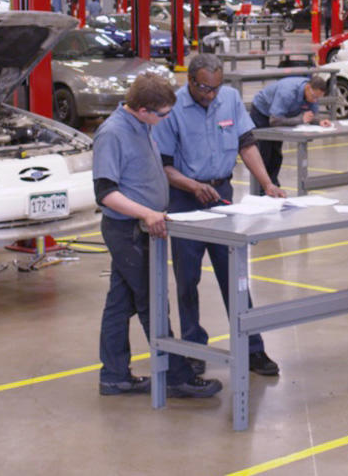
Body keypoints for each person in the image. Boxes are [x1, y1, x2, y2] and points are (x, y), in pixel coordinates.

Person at [153, 54, 285, 377]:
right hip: (185, 200)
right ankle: (194, 347)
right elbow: (164, 165)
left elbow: (247, 144)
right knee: (188, 278)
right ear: (190, 81)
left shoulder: (230, 100)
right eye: (203, 89)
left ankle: (253, 348)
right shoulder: (173, 109)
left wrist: (268, 184)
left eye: (216, 88)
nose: (211, 95)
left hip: (222, 197)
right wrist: (193, 186)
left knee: (235, 275)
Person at [93, 74, 223, 399]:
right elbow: (105, 192)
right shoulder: (113, 133)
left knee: (119, 304)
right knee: (153, 302)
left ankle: (113, 376)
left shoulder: (143, 127)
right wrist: (147, 213)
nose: (165, 121)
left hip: (142, 230)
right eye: (162, 115)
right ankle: (177, 376)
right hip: (128, 231)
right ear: (142, 109)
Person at [249, 75, 331, 188]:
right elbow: (274, 121)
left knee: (276, 154)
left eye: (318, 98)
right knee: (265, 152)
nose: (315, 101)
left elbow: (313, 115)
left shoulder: (312, 94)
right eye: (314, 97)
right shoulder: (287, 93)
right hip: (263, 113)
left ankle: (273, 184)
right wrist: (300, 120)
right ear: (308, 88)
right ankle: (261, 188)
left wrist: (319, 121)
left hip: (283, 116)